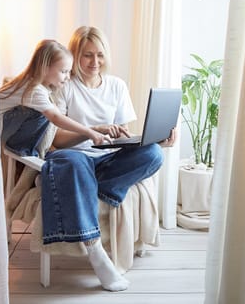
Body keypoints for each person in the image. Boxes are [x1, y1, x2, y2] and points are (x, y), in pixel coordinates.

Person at [40, 26, 176, 292]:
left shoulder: (116, 86)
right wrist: (92, 133)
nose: (94, 62)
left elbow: (122, 134)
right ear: (75, 56)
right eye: (87, 55)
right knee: (73, 162)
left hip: (106, 161)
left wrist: (156, 140)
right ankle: (96, 253)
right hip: (75, 158)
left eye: (100, 55)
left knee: (153, 154)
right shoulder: (66, 86)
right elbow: (56, 140)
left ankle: (92, 187)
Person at [0, 39, 111, 157]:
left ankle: (28, 148)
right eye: (63, 71)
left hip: (4, 124)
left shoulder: (38, 86)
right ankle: (21, 148)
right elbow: (56, 117)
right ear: (45, 68)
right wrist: (90, 132)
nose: (68, 77)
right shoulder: (34, 90)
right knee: (44, 114)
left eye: (69, 72)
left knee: (48, 110)